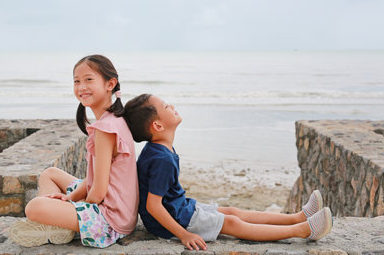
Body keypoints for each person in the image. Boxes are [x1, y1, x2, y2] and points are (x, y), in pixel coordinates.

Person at [123, 94, 333, 251]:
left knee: (232, 211)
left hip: (180, 207)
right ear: (158, 125)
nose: (172, 106)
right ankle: (303, 230)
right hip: (174, 221)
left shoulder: (160, 150)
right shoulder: (161, 159)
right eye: (166, 106)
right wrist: (184, 235)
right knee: (232, 223)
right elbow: (153, 206)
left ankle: (298, 216)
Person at [9, 55, 139, 248]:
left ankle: (58, 224)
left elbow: (99, 191)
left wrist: (73, 206)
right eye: (76, 81)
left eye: (88, 80)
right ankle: (56, 224)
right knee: (50, 174)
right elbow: (95, 178)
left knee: (34, 207)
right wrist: (70, 197)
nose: (81, 87)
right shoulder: (112, 120)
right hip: (119, 213)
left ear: (110, 84)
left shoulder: (106, 129)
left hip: (110, 220)